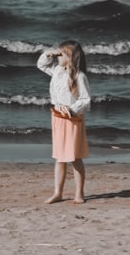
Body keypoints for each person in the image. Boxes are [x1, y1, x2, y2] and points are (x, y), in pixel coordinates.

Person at [37, 39, 91, 204]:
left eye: (61, 54)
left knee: (74, 157)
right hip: (57, 118)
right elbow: (42, 65)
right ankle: (58, 192)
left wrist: (72, 109)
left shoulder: (79, 76)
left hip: (72, 119)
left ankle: (79, 193)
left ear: (70, 56)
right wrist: (50, 53)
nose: (57, 57)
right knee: (60, 157)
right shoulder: (58, 71)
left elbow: (86, 99)